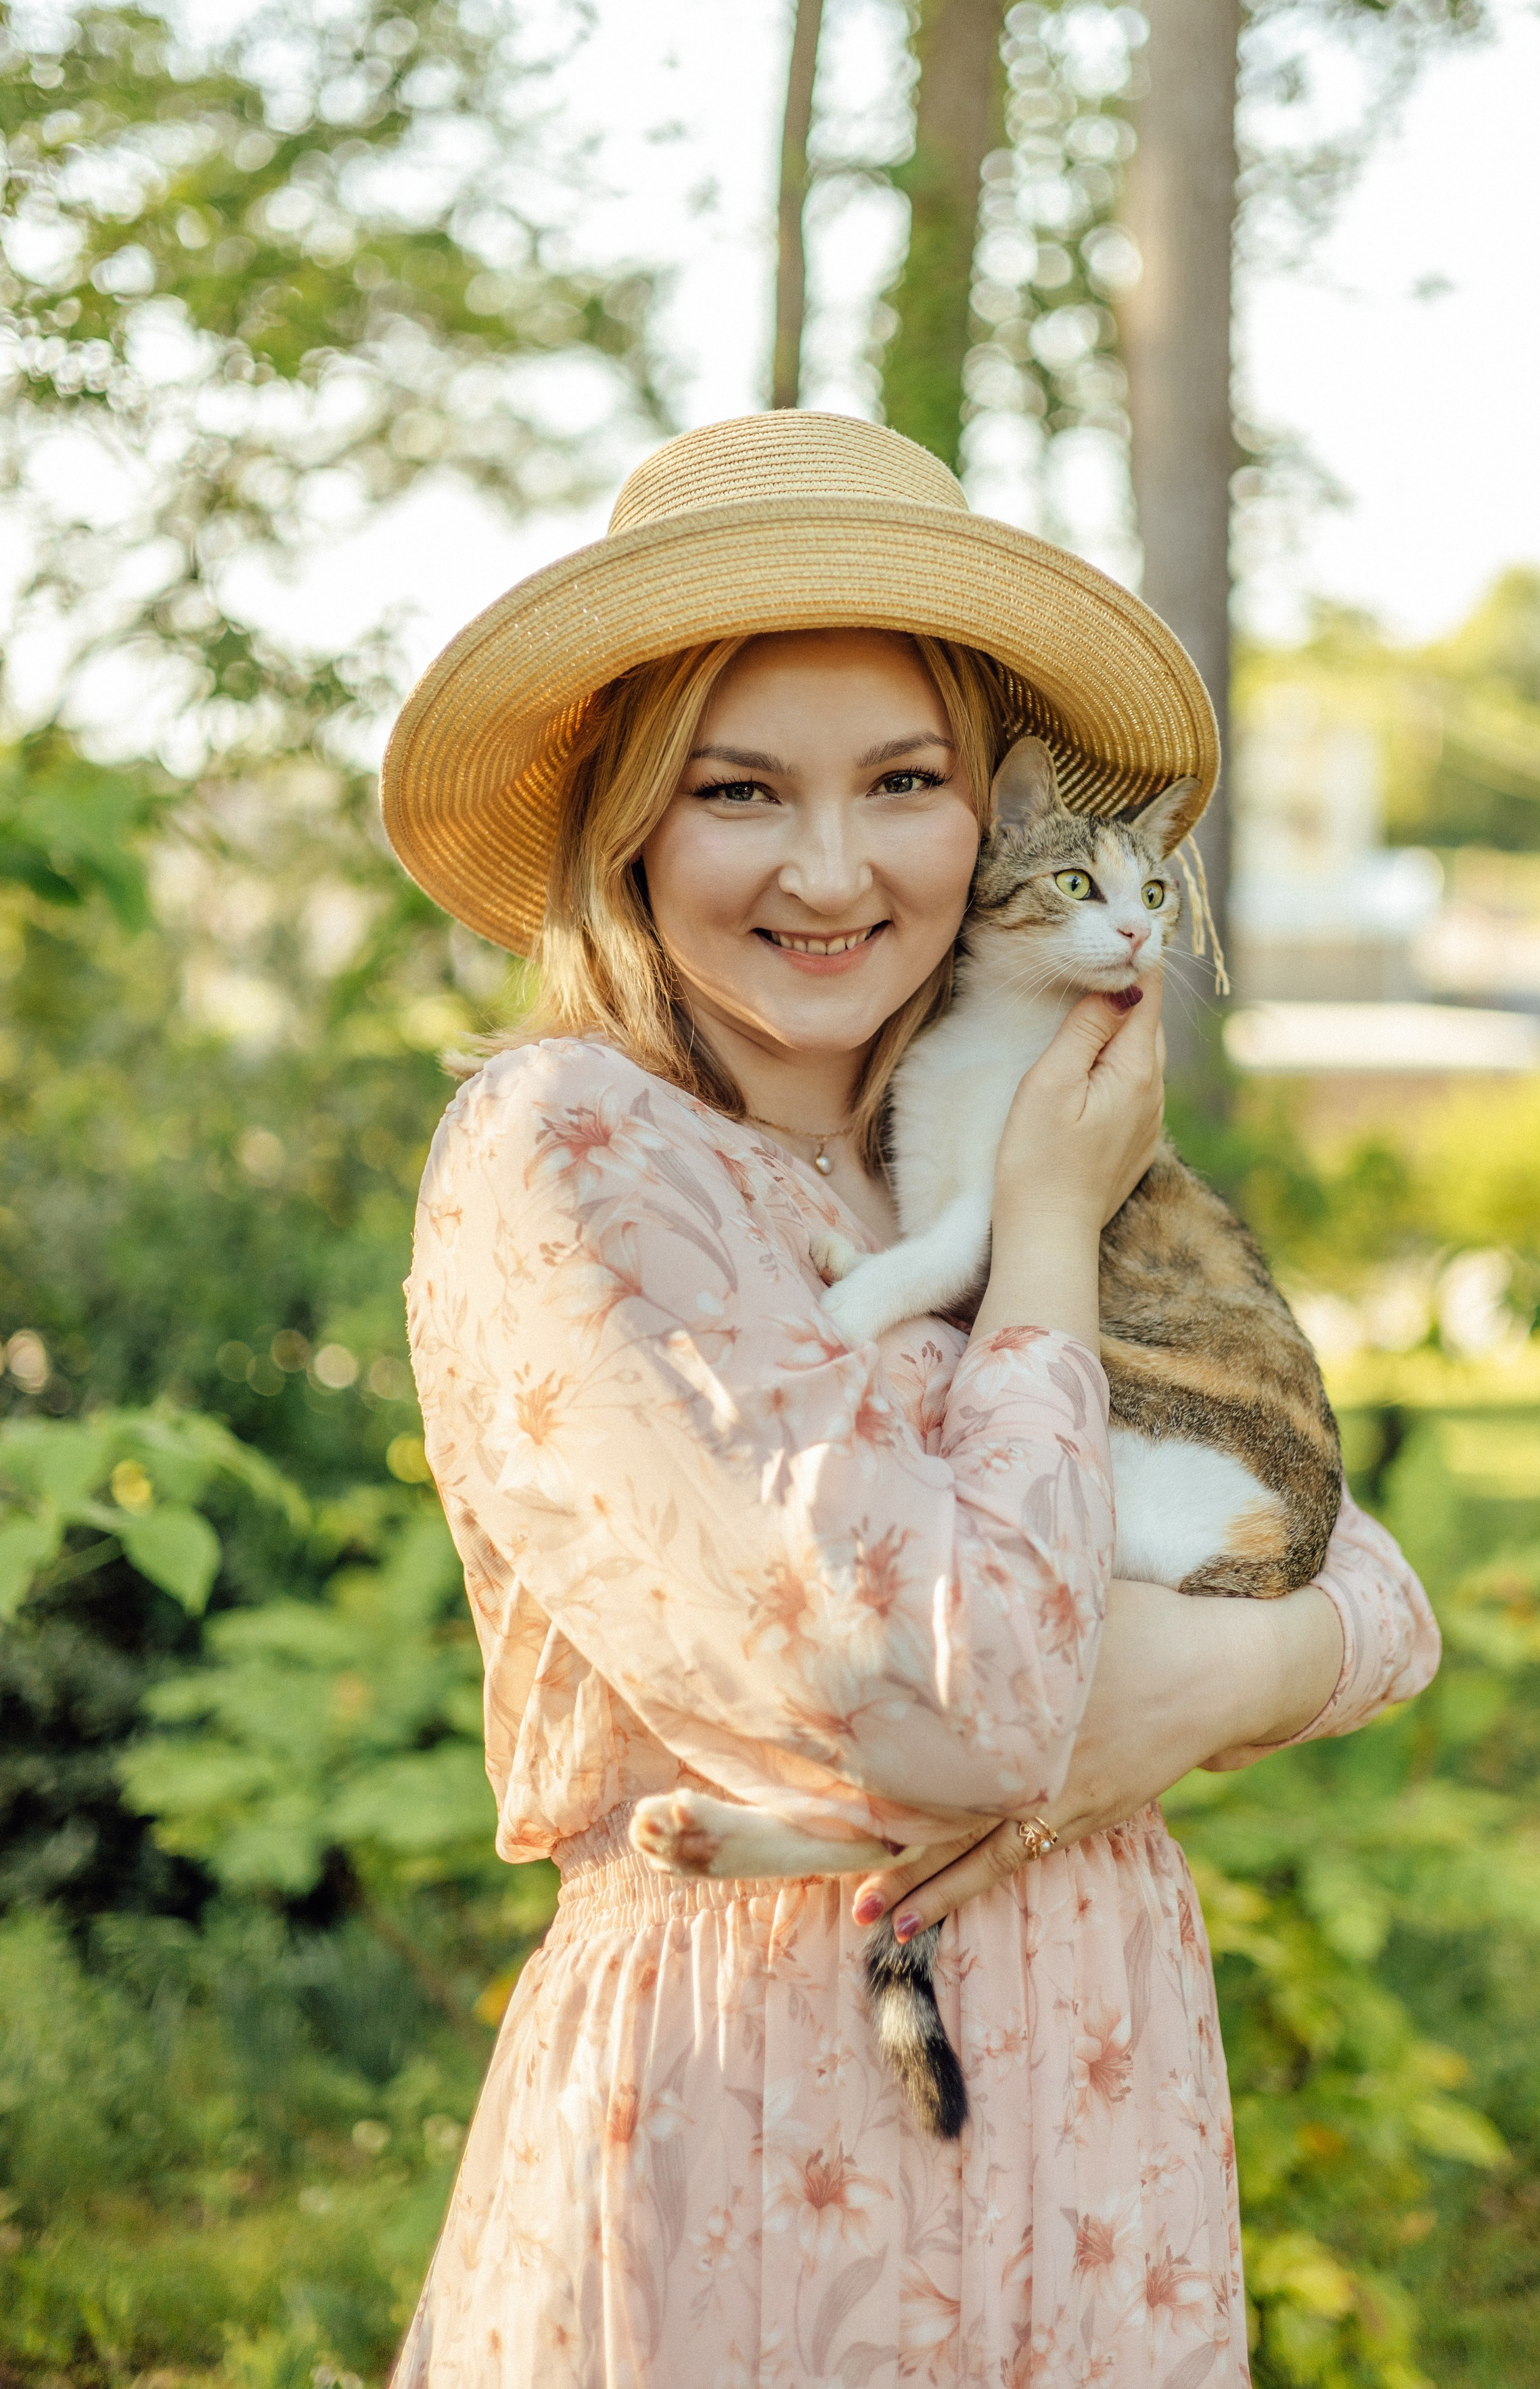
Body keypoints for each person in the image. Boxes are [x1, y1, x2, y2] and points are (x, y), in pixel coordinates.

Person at [381, 412, 1439, 2388]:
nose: (832, 866)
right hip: (772, 2118)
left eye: (904, 781)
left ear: (986, 818)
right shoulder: (579, 1150)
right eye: (740, 789)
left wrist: (1227, 1672)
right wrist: (1040, 1235)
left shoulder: (940, 1137)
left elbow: (1374, 1580)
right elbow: (958, 1705)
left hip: (1096, 2101)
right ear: (627, 817)